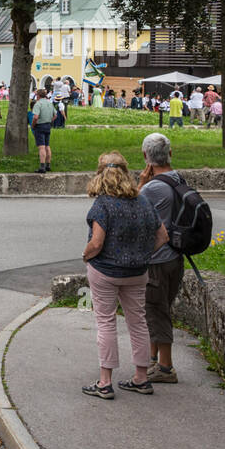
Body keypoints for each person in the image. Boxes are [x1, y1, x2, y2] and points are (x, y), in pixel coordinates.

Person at [81, 151, 169, 399]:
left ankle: (105, 382)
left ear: (101, 175)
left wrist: (86, 255)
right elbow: (163, 236)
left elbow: (97, 243)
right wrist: (141, 254)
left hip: (105, 271)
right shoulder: (143, 201)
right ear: (126, 174)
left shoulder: (103, 204)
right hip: (137, 272)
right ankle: (141, 378)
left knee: (106, 322)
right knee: (138, 322)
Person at [138, 133, 185, 385]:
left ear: (146, 157)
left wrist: (141, 184)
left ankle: (166, 368)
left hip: (157, 259)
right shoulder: (177, 178)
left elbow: (131, 212)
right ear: (170, 154)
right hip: (175, 257)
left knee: (157, 312)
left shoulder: (152, 188)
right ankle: (153, 357)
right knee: (160, 308)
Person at [31, 88, 56, 172]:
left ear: (38, 96)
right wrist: (49, 120)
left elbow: (35, 117)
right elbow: (55, 115)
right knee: (47, 146)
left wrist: (33, 125)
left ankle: (42, 167)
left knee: (41, 147)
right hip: (48, 125)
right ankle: (48, 165)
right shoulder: (50, 103)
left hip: (40, 126)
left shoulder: (38, 104)